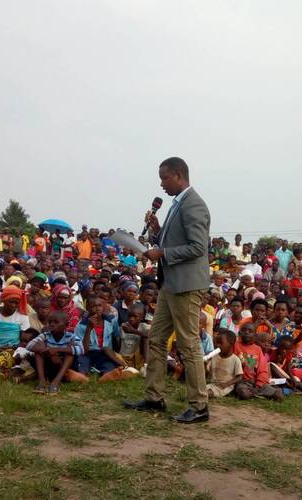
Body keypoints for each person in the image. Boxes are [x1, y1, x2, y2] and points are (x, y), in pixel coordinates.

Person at [125, 157, 211, 423]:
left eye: (164, 178)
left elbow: (198, 247)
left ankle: (199, 406)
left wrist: (162, 252)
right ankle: (154, 397)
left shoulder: (194, 204)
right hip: (170, 284)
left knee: (188, 344)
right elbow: (174, 241)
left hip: (186, 286)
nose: (161, 184)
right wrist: (157, 230)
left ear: (178, 175)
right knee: (157, 338)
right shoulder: (178, 204)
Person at [27, 311, 87, 394]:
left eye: (56, 322)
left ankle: (56, 382)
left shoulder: (71, 336)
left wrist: (57, 349)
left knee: (70, 353)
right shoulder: (45, 335)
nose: (52, 324)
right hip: (49, 365)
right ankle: (42, 382)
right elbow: (29, 345)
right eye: (50, 322)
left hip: (64, 366)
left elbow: (81, 349)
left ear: (66, 325)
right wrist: (48, 352)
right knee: (38, 351)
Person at [234, 324, 283, 400]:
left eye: (250, 331)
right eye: (244, 330)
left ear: (255, 335)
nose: (246, 332)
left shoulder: (258, 349)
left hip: (256, 382)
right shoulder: (235, 346)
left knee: (279, 395)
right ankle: (256, 394)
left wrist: (257, 386)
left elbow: (262, 370)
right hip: (242, 382)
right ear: (239, 333)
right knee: (244, 394)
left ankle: (257, 393)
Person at [206, 329, 243, 398]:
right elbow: (208, 370)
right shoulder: (214, 356)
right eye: (216, 343)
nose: (217, 345)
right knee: (200, 390)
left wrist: (226, 384)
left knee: (207, 393)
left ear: (231, 344)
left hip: (226, 387)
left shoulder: (235, 359)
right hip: (213, 384)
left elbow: (239, 377)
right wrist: (206, 364)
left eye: (220, 343)